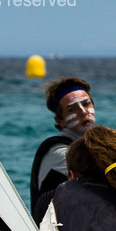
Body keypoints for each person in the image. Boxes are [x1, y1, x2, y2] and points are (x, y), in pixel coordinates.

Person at [28, 75, 96, 219]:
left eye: (86, 104)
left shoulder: (91, 145)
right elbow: (97, 174)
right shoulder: (58, 151)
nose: (83, 112)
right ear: (60, 121)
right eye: (72, 109)